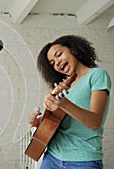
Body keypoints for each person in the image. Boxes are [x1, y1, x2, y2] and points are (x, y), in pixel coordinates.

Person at [28, 35, 111, 169]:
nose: (57, 62)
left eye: (59, 54)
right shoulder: (65, 86)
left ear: (73, 49)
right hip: (52, 157)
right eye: (52, 63)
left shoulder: (97, 75)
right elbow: (59, 123)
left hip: (82, 160)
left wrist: (63, 103)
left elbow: (94, 122)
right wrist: (38, 121)